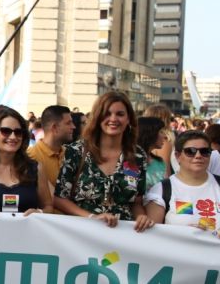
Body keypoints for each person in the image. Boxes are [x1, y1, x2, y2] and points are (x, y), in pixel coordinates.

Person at [54, 91, 153, 232]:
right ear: (97, 117)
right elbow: (59, 199)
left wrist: (142, 217)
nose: (113, 119)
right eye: (107, 113)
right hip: (82, 234)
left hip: (124, 236)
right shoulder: (76, 151)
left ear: (129, 119)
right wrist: (92, 217)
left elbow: (136, 202)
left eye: (120, 114)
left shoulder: (137, 155)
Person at [145, 131, 220, 232]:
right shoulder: (162, 190)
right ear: (178, 156)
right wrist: (183, 233)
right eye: (191, 151)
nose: (198, 156)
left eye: (205, 151)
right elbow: (151, 235)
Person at [28, 105, 75, 206]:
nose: (73, 127)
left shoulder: (73, 155)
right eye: (68, 123)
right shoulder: (30, 157)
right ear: (54, 128)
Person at [137, 117, 167, 191]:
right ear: (150, 133)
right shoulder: (128, 161)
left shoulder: (159, 162)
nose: (165, 136)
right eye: (161, 132)